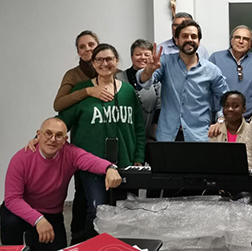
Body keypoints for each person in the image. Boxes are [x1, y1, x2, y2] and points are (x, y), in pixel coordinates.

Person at [58, 44, 146, 241]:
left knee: (124, 211)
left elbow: (139, 128)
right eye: (99, 60)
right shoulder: (82, 91)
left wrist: (138, 157)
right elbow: (62, 122)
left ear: (117, 62)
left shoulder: (128, 92)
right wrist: (42, 136)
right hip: (91, 163)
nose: (105, 63)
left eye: (109, 59)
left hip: (125, 160)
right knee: (97, 209)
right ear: (93, 63)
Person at [1, 117, 121, 250]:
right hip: (22, 211)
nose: (52, 139)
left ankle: (34, 238)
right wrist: (38, 220)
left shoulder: (70, 153)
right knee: (9, 222)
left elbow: (90, 160)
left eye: (59, 136)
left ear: (65, 140)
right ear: (39, 135)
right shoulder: (21, 159)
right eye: (48, 133)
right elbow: (12, 199)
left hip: (52, 214)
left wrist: (110, 168)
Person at [138, 20, 229, 142]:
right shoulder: (165, 62)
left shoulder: (212, 70)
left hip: (199, 136)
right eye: (184, 36)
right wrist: (148, 70)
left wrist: (221, 120)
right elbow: (144, 81)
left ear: (199, 41)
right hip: (168, 136)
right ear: (176, 40)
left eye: (194, 36)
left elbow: (226, 99)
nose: (189, 39)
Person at [209, 25, 252, 120]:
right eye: (237, 37)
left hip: (249, 120)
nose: (241, 41)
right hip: (221, 119)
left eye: (245, 39)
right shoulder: (216, 58)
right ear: (231, 40)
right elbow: (209, 89)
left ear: (250, 44)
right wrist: (219, 113)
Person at [53, 30, 114, 112]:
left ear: (99, 47)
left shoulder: (115, 72)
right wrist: (88, 91)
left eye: (91, 45)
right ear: (78, 52)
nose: (87, 49)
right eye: (82, 47)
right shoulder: (72, 75)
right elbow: (58, 105)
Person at [117, 39, 161, 141]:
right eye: (138, 54)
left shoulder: (156, 80)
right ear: (131, 57)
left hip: (150, 135)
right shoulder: (119, 78)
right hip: (125, 135)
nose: (142, 57)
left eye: (146, 54)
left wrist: (154, 130)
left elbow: (160, 106)